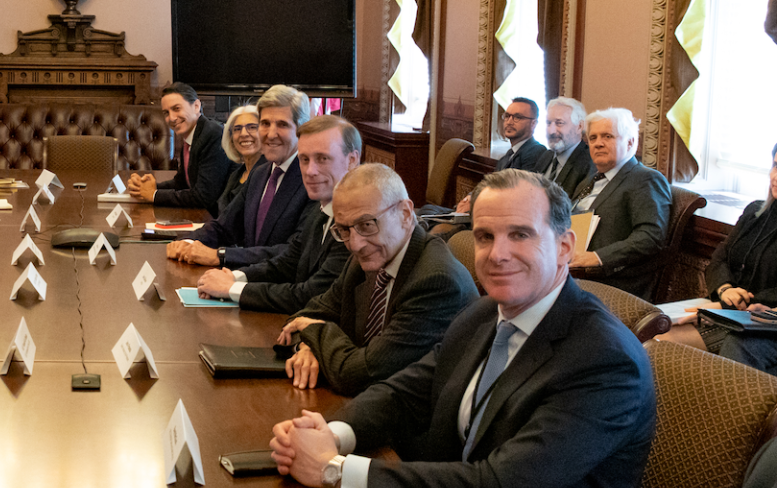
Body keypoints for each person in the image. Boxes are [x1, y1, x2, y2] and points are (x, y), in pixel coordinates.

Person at [269, 169, 655, 488]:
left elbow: (502, 481)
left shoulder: (605, 360)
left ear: (565, 248)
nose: (498, 254)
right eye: (485, 237)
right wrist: (332, 434)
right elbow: (405, 393)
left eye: (520, 234)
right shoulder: (484, 314)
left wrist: (335, 470)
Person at [273, 164, 476, 395]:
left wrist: (316, 331)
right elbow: (305, 315)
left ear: (405, 214)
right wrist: (308, 346)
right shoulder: (368, 258)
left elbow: (360, 375)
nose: (355, 243)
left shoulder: (436, 282)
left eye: (367, 225)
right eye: (344, 230)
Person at [197, 115, 359, 315]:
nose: (310, 171)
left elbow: (310, 295)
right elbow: (288, 262)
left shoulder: (357, 223)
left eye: (323, 158)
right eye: (304, 159)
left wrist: (232, 288)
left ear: (352, 160)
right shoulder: (322, 209)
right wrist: (235, 277)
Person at [170, 85, 313, 268]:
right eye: (265, 123)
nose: (270, 134)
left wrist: (221, 255)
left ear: (301, 129)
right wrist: (186, 243)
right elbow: (224, 227)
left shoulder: (311, 179)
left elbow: (293, 251)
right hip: (244, 279)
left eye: (282, 124)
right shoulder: (260, 174)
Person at [569, 108, 671, 299]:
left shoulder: (645, 179)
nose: (598, 144)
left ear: (630, 142)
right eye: (592, 138)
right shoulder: (589, 180)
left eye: (607, 136)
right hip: (573, 270)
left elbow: (651, 237)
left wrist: (597, 257)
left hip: (613, 280)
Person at [695, 144, 777, 373]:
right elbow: (719, 258)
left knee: (737, 346)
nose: (775, 176)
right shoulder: (754, 211)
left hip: (762, 322)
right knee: (659, 330)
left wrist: (728, 305)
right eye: (775, 165)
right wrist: (724, 289)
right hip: (729, 310)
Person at [127, 83, 237, 216]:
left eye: (177, 109)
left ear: (196, 106)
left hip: (218, 220)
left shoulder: (213, 135)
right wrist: (150, 187)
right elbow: (181, 183)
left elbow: (203, 197)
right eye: (166, 113)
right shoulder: (191, 137)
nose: (172, 118)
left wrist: (154, 195)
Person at [452, 97, 548, 216]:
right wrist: (470, 198)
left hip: (503, 217)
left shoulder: (536, 152)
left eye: (517, 117)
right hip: (485, 211)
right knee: (429, 212)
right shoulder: (507, 155)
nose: (509, 121)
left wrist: (476, 203)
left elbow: (515, 194)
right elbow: (490, 184)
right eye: (507, 116)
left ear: (533, 123)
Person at [533, 97, 596, 199]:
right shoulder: (546, 156)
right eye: (548, 123)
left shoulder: (589, 163)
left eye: (559, 123)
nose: (551, 131)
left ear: (579, 126)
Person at [216, 105, 262, 214]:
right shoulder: (236, 175)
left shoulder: (269, 175)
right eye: (237, 129)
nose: (244, 134)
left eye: (252, 127)